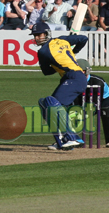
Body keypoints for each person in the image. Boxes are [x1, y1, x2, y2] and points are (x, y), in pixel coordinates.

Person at [30, 21, 89, 150]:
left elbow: (46, 72)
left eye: (38, 35)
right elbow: (83, 39)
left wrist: (56, 65)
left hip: (75, 77)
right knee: (45, 103)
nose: (36, 38)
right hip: (71, 78)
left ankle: (72, 137)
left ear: (45, 33)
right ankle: (61, 141)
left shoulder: (43, 52)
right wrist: (73, 53)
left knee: (52, 102)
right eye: (34, 35)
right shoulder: (62, 39)